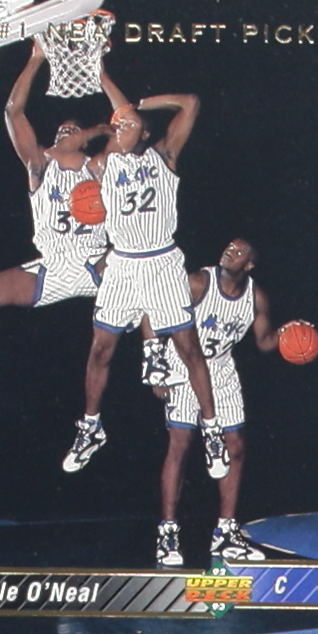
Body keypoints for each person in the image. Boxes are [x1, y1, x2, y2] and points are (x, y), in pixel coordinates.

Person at [0, 41, 112, 420]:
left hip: (96, 262)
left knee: (147, 267)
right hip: (53, 268)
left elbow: (126, 128)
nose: (66, 133)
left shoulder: (97, 168)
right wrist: (36, 58)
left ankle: (163, 358)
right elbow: (13, 110)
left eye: (73, 130)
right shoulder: (39, 165)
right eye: (61, 131)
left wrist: (100, 70)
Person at [62, 66, 227, 475]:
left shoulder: (165, 154)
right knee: (100, 349)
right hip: (122, 263)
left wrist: (137, 103)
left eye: (130, 124)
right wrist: (102, 82)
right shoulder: (105, 163)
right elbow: (69, 150)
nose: (123, 126)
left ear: (146, 131)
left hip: (162, 260)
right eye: (120, 125)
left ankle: (212, 430)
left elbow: (190, 103)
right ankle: (91, 428)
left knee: (189, 348)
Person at [152, 238, 286, 566]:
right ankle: (168, 534)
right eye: (229, 247)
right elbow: (155, 310)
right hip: (183, 366)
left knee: (235, 445)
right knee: (180, 445)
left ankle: (225, 532)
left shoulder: (256, 296)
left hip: (221, 370)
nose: (229, 251)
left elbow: (264, 341)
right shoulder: (198, 282)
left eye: (238, 252)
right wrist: (157, 366)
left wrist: (290, 335)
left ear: (249, 265)